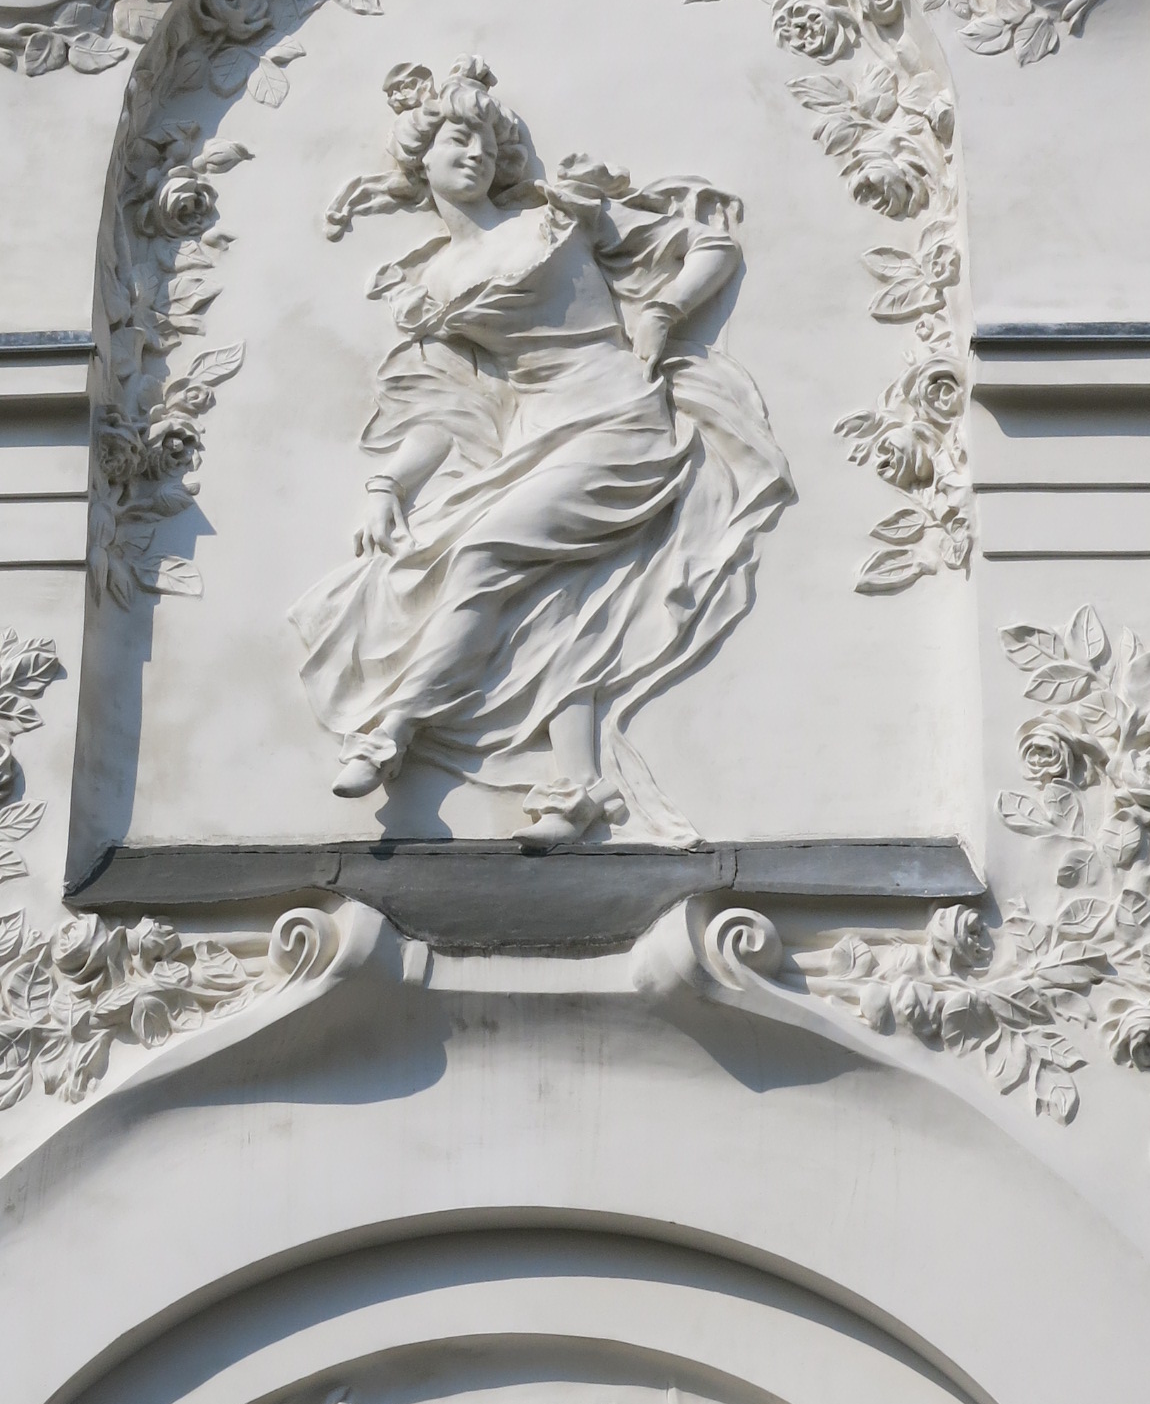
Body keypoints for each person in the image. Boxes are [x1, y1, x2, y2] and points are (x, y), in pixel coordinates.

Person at [290, 56, 792, 843]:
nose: (475, 153)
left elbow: (711, 247)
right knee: (554, 606)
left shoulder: (554, 217)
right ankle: (576, 790)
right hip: (532, 439)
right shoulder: (433, 285)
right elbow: (451, 413)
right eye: (457, 138)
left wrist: (661, 309)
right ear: (419, 154)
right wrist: (388, 485)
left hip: (619, 420)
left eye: (487, 143)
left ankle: (391, 729)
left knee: (484, 553)